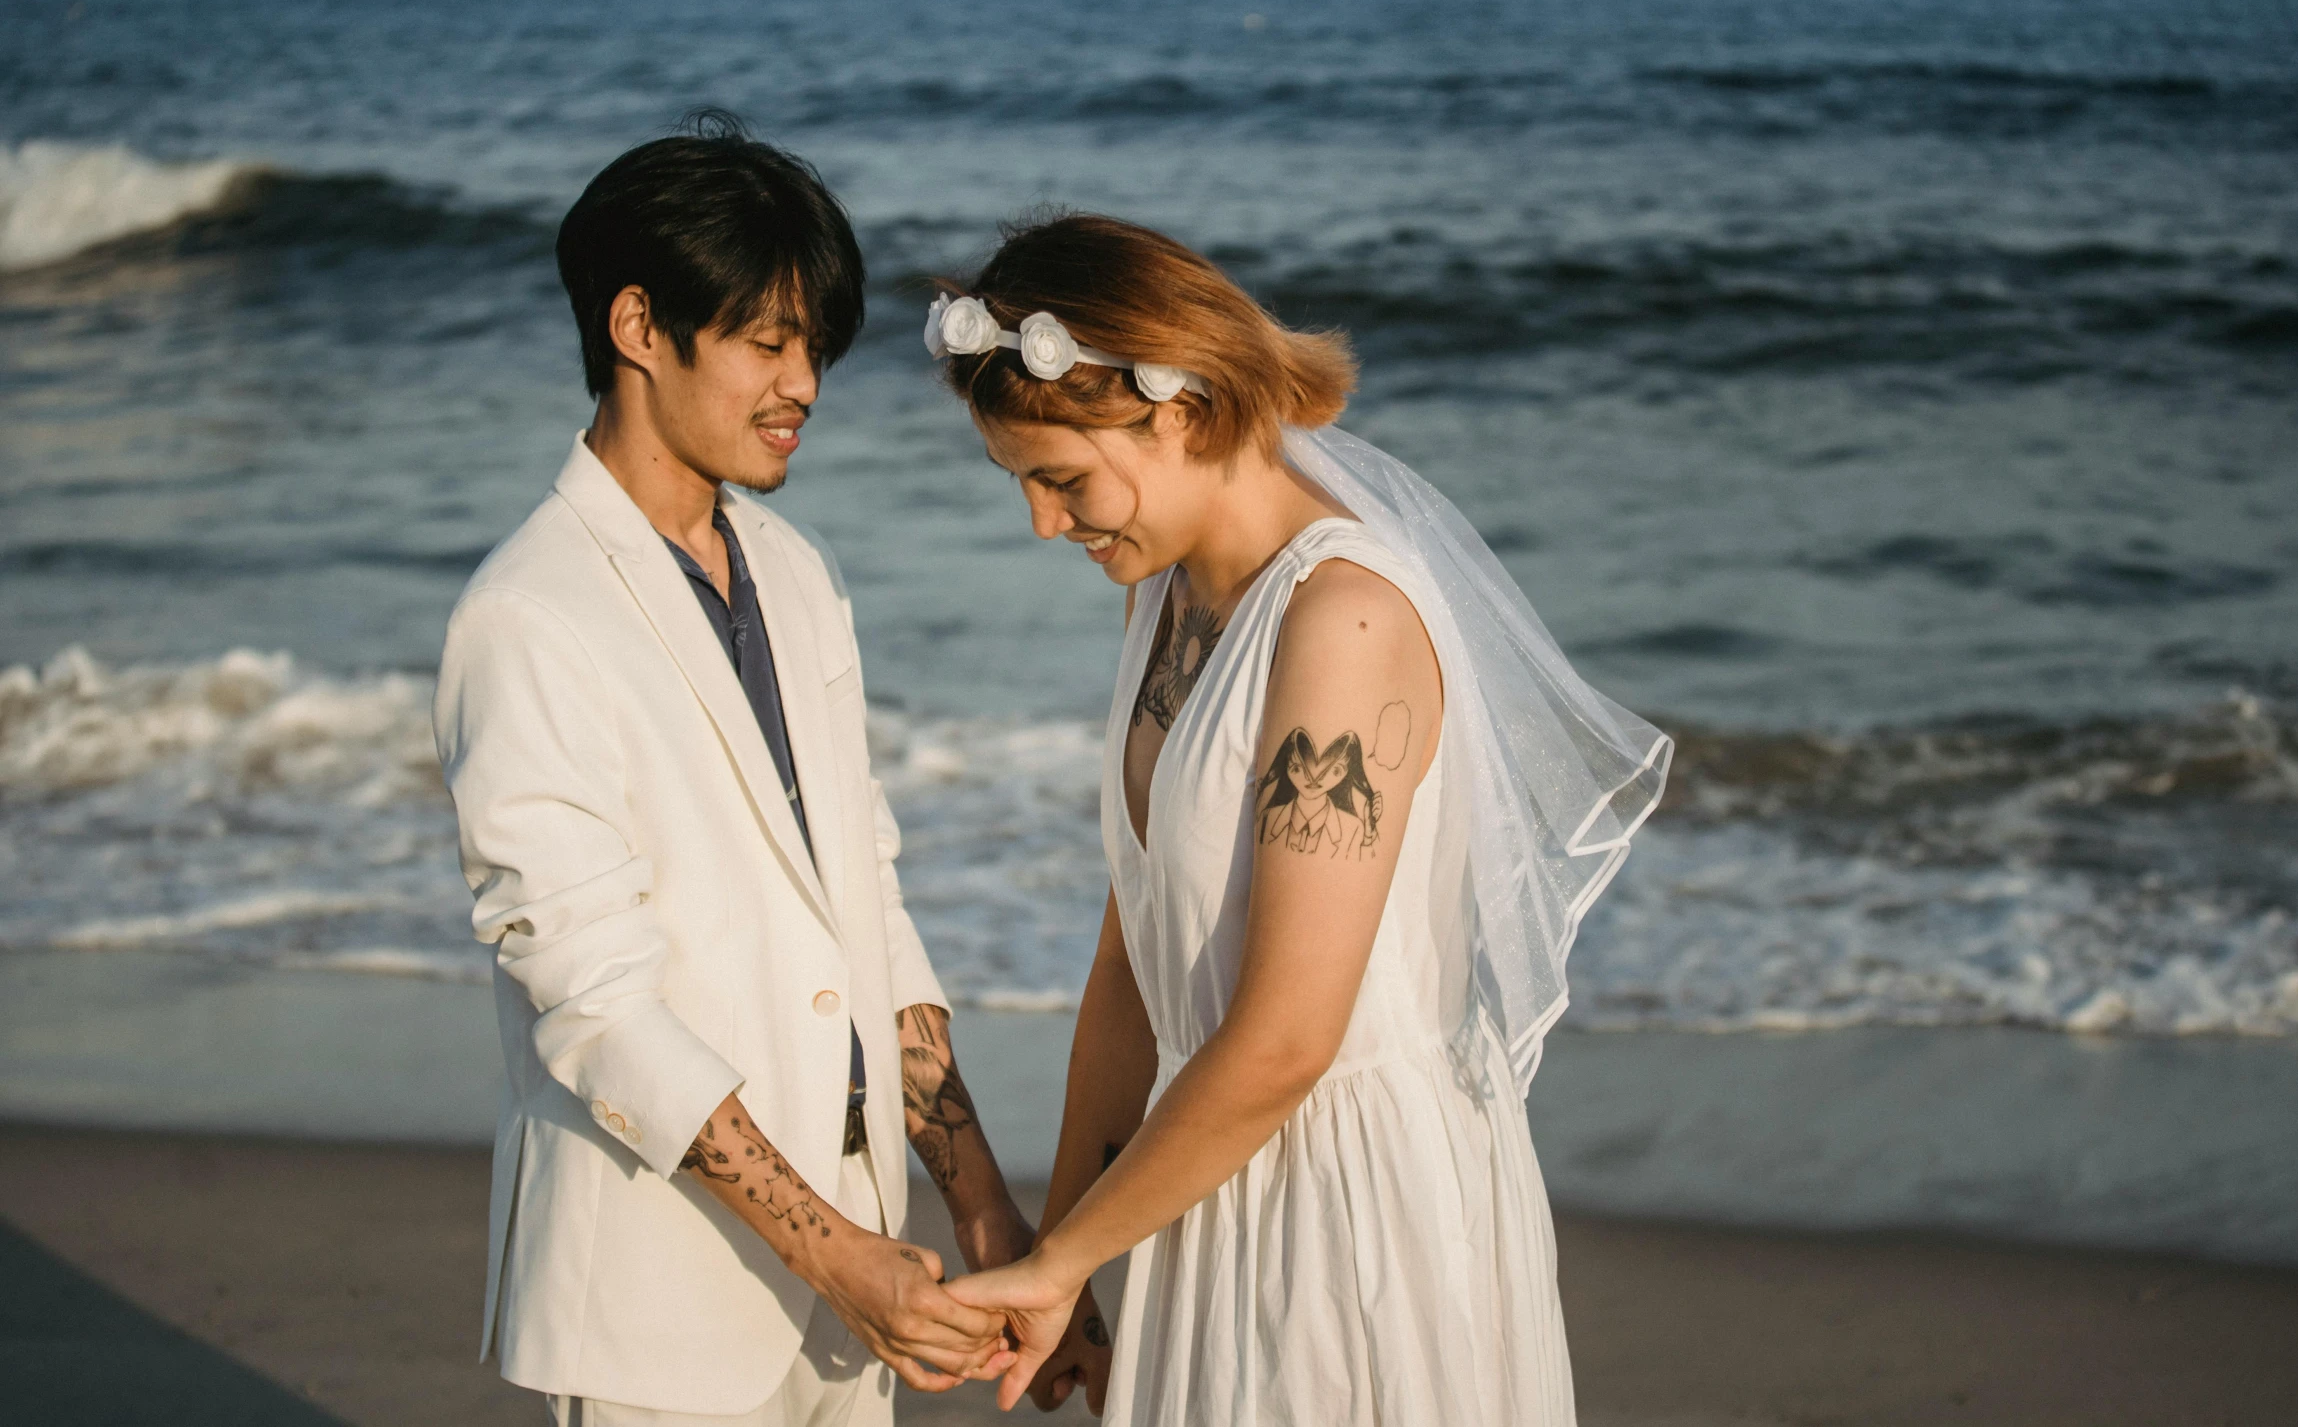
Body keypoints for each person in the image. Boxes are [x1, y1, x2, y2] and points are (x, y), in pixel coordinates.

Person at [926, 214, 1671, 1424]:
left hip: (1343, 1205)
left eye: (1060, 479)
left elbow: (1285, 1039)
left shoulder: (1344, 625)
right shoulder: (1162, 597)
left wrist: (1059, 1262)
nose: (1044, 525)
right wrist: (1068, 1264)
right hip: (1199, 1170)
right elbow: (1131, 965)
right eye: (1025, 486)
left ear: (1171, 412)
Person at [431, 117, 1109, 1427]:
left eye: (814, 346)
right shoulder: (525, 616)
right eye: (765, 338)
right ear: (639, 324)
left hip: (855, 1271)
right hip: (665, 1295)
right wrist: (834, 1253)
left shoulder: (796, 571)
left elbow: (868, 897)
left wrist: (978, 1201)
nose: (803, 380)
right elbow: (593, 1003)